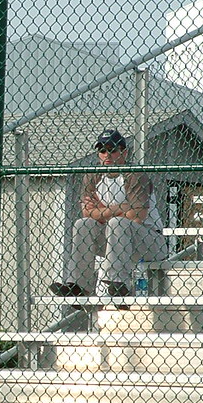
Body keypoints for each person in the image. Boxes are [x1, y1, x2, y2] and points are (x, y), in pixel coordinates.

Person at [49, 129, 166, 306]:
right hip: (114, 241)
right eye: (102, 150)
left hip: (149, 242)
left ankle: (119, 285)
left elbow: (137, 216)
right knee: (84, 224)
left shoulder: (134, 175)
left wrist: (102, 210)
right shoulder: (93, 175)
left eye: (112, 150)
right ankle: (79, 286)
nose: (106, 155)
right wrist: (122, 208)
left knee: (117, 223)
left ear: (124, 152)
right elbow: (88, 213)